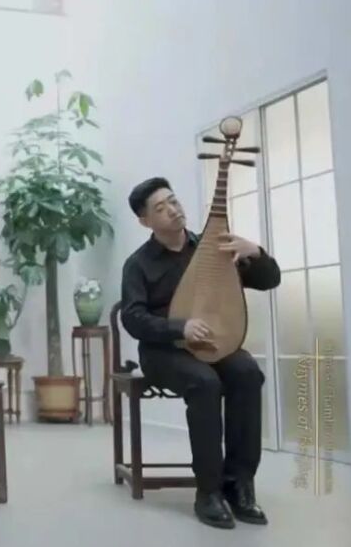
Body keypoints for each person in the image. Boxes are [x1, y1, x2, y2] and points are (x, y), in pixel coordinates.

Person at [120, 177, 281, 529]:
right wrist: (179, 327)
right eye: (160, 208)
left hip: (213, 342)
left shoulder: (212, 249)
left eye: (173, 201)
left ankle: (239, 484)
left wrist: (255, 252)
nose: (172, 210)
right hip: (164, 351)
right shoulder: (139, 264)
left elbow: (269, 280)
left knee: (247, 373)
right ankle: (208, 491)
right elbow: (132, 318)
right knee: (204, 382)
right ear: (145, 221)